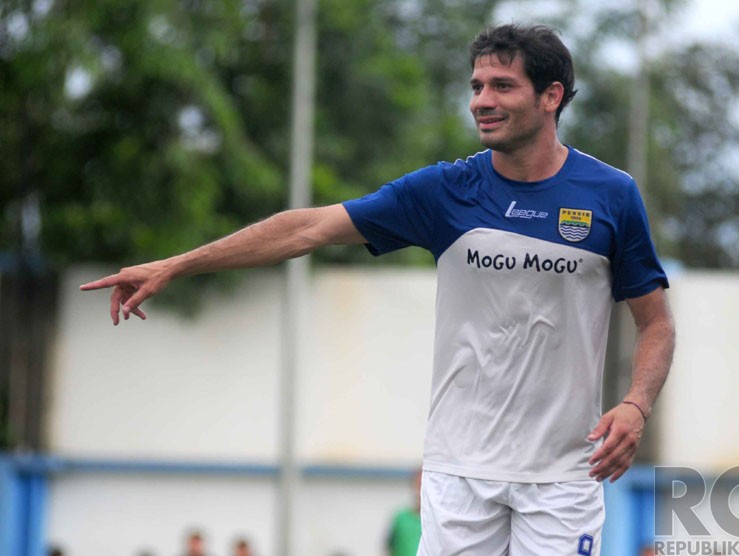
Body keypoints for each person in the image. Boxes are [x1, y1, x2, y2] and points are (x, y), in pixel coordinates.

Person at [82, 23, 675, 555]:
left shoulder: (611, 195)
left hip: (565, 476)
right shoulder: (444, 192)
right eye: (476, 87)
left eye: (502, 86)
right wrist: (176, 265)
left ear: (551, 97)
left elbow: (655, 322)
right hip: (458, 473)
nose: (482, 102)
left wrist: (635, 404)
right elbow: (307, 228)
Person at [385, 468, 423, 556]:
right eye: (418, 484)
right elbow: (388, 548)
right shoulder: (400, 518)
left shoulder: (437, 522)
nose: (420, 490)